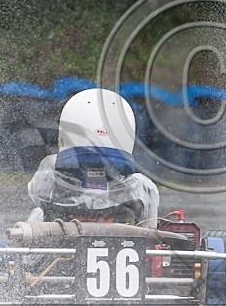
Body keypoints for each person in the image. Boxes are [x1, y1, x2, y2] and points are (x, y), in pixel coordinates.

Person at [26, 88, 160, 228]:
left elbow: (36, 197)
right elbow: (150, 228)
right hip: (123, 247)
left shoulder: (48, 175)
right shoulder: (141, 187)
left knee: (38, 213)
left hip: (63, 243)